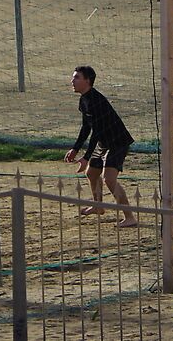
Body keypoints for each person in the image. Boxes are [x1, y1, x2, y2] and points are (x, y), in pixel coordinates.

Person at [64, 65, 139, 226]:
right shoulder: (84, 100)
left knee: (109, 179)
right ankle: (98, 206)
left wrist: (85, 157)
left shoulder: (96, 101)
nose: (72, 81)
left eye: (76, 77)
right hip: (104, 143)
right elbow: (86, 127)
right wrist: (75, 148)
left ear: (88, 81)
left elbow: (96, 132)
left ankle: (129, 217)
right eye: (73, 77)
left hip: (117, 142)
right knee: (91, 173)